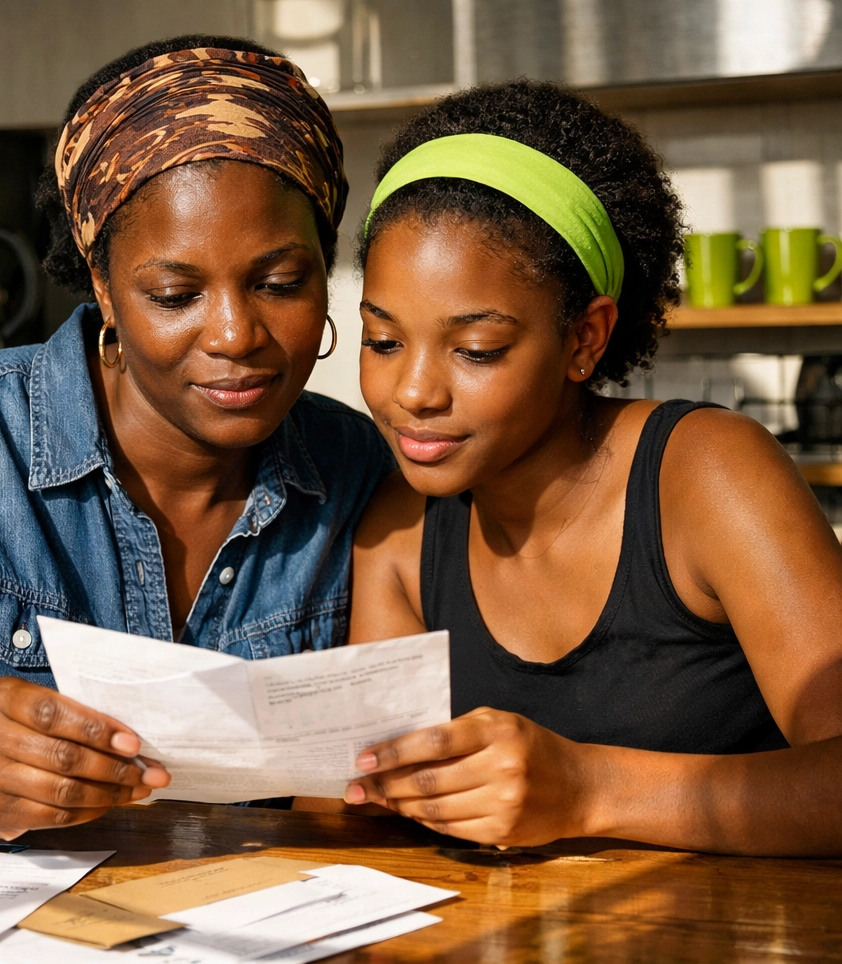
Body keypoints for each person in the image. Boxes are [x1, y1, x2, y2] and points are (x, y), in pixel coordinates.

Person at [0, 36, 393, 839]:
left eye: (279, 284)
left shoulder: (365, 473)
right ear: (104, 286)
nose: (235, 333)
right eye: (174, 293)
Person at [341, 81, 842, 855]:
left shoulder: (706, 476)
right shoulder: (399, 534)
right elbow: (379, 801)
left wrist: (587, 789)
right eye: (383, 342)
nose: (413, 393)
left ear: (584, 339)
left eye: (477, 350)